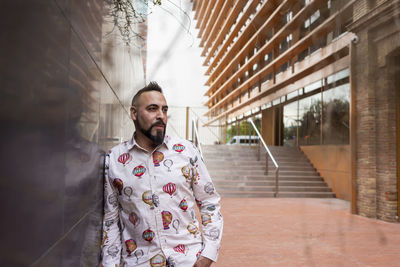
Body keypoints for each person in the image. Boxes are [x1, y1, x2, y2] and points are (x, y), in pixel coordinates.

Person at [101, 82, 223, 267]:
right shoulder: (114, 160)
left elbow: (209, 202)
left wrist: (208, 254)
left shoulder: (186, 151)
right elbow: (110, 220)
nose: (161, 116)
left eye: (164, 110)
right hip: (139, 261)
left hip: (188, 260)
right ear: (134, 113)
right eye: (152, 109)